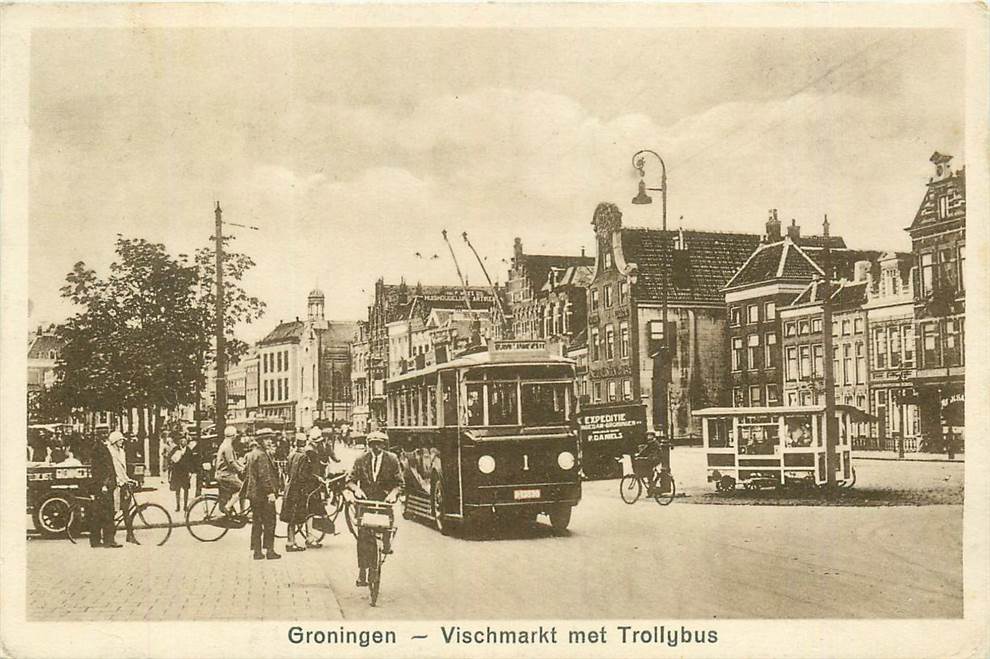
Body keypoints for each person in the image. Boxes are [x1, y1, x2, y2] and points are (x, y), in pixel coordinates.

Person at [345, 431, 403, 587]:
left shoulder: (392, 459)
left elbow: (400, 483)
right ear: (368, 445)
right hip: (365, 503)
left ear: (384, 445)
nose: (376, 447)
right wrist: (356, 490)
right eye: (372, 444)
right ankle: (362, 572)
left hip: (384, 503)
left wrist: (393, 493)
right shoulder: (361, 460)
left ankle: (385, 543)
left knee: (386, 529)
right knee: (363, 537)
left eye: (379, 444)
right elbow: (350, 480)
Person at [243, 436, 281, 560]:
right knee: (270, 522)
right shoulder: (262, 455)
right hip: (263, 495)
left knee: (257, 522)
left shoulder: (252, 454)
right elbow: (264, 476)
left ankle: (257, 551)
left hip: (254, 494)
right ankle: (270, 551)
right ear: (261, 441)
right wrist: (270, 492)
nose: (270, 441)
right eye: (266, 439)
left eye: (270, 439)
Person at [280, 433, 319, 552]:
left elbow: (287, 470)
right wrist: (316, 479)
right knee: (297, 515)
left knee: (291, 516)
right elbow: (303, 476)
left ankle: (290, 541)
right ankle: (291, 543)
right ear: (305, 443)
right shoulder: (304, 457)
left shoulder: (291, 455)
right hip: (299, 490)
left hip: (290, 487)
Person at [214, 426, 245, 517]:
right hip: (225, 475)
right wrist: (240, 469)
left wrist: (243, 466)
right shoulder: (227, 446)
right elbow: (231, 462)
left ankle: (242, 512)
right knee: (243, 488)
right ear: (233, 436)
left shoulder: (225, 444)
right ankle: (227, 507)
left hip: (223, 474)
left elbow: (233, 461)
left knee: (241, 488)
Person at [169, 435, 196, 512]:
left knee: (186, 490)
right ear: (180, 442)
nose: (184, 442)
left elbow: (192, 462)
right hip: (177, 472)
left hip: (185, 473)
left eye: (185, 441)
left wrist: (191, 471)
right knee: (177, 490)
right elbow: (170, 457)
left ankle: (185, 506)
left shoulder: (189, 451)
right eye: (182, 441)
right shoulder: (175, 449)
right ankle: (178, 506)